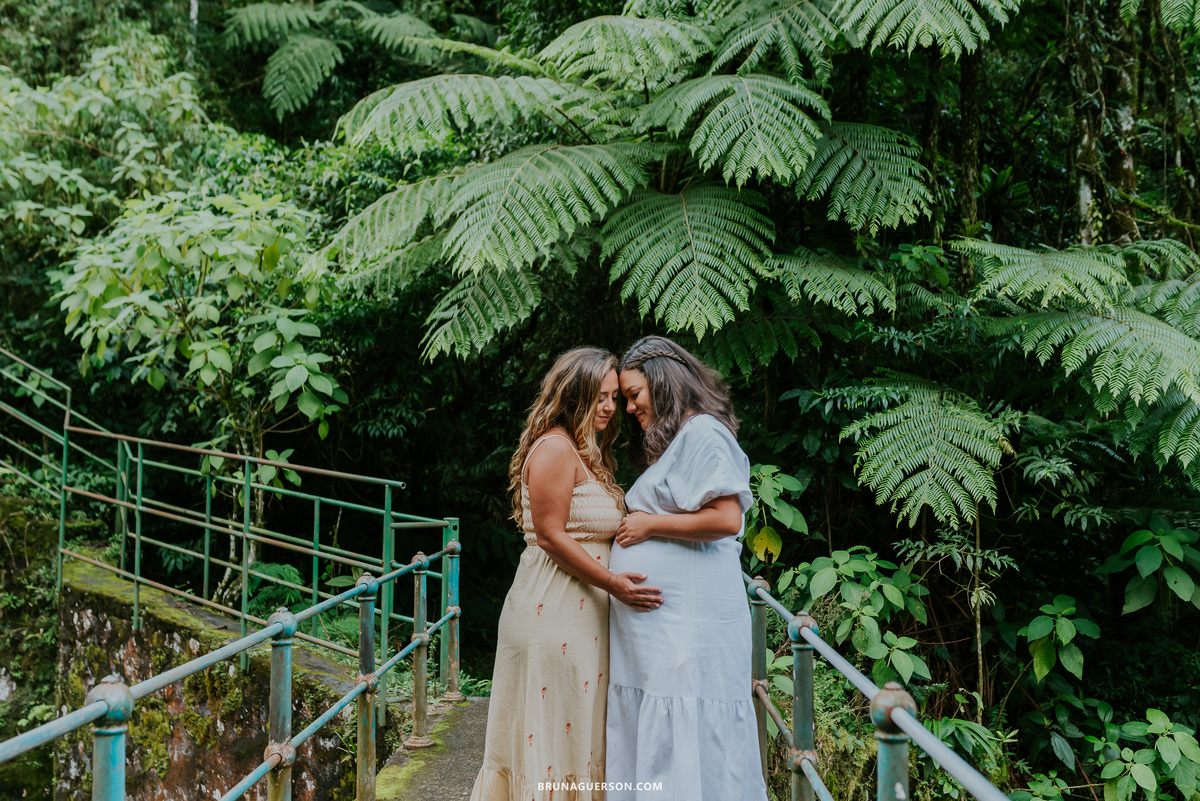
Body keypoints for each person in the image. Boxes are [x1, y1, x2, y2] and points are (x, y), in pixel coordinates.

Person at [471, 347, 664, 801]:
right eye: (600, 396)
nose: (611, 407)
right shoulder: (556, 448)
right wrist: (615, 584)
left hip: (581, 619)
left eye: (615, 396)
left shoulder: (585, 451)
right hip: (550, 612)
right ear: (573, 394)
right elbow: (553, 536)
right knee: (552, 740)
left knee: (574, 736)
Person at [606, 335, 766, 801]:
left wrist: (650, 525)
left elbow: (726, 518)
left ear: (663, 381)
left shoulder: (702, 433)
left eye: (634, 395)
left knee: (690, 726)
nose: (630, 409)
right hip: (666, 631)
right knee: (668, 728)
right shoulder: (683, 438)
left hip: (689, 627)